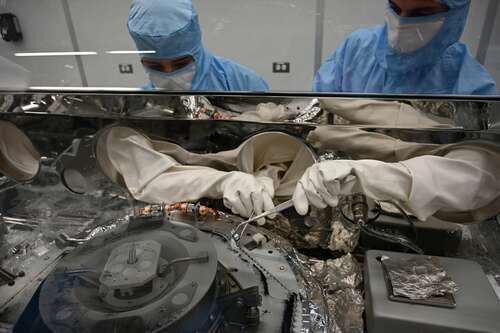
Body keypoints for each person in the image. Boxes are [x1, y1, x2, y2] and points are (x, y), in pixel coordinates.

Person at [313, 0, 497, 95]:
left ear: (455, 16)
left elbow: (476, 154)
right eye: (395, 7)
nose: (401, 21)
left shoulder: (471, 85)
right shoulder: (356, 48)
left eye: (422, 13)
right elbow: (319, 110)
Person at [127, 0, 269, 92]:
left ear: (196, 52)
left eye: (180, 64)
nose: (170, 75)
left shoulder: (244, 84)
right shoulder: (143, 103)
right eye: (155, 66)